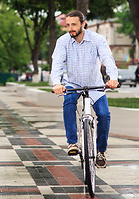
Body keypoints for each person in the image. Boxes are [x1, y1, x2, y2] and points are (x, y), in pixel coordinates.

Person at [51, 10, 119, 168]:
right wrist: (56, 83)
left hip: (95, 83)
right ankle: (72, 143)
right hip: (72, 83)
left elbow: (107, 59)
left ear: (83, 24)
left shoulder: (97, 39)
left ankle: (101, 151)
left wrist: (113, 78)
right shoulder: (63, 42)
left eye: (73, 24)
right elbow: (57, 64)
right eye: (67, 25)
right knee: (68, 103)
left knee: (104, 115)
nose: (70, 28)